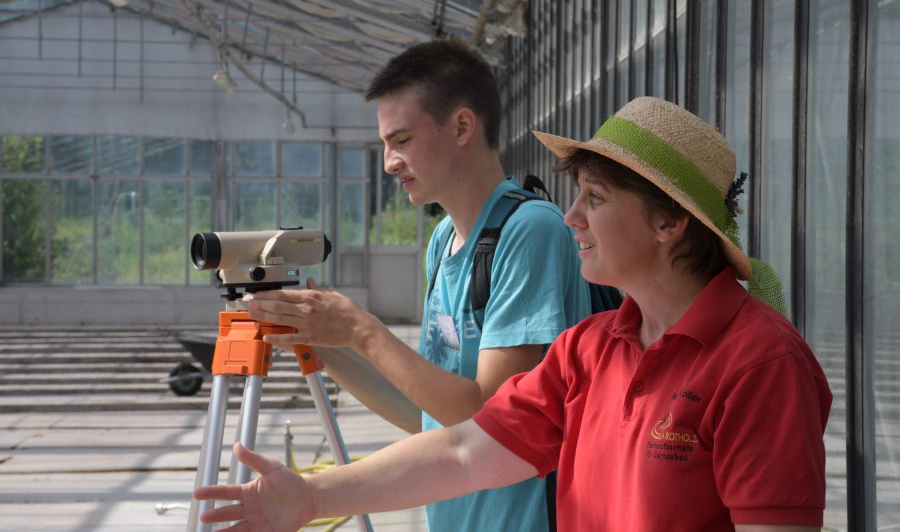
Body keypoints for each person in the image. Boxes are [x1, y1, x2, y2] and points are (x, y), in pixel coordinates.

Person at [196, 96, 833, 531]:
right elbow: (463, 451)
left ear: (669, 222)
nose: (571, 216)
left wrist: (361, 332)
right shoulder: (589, 349)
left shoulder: (760, 363)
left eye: (595, 198)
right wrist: (313, 496)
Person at [239, 39, 591, 531]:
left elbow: (490, 421)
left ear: (463, 126)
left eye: (401, 140)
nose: (389, 162)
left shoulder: (530, 231)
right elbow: (427, 412)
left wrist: (362, 330)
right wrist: (322, 343)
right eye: (386, 144)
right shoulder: (443, 241)